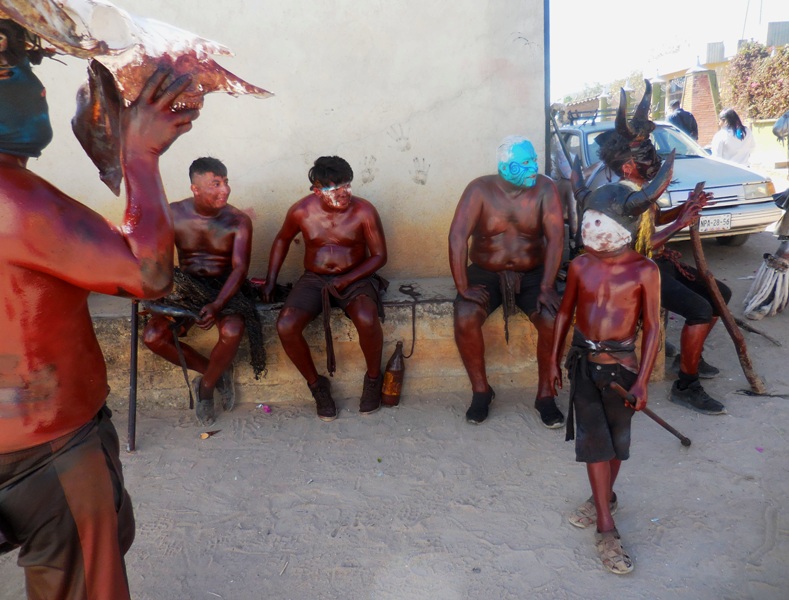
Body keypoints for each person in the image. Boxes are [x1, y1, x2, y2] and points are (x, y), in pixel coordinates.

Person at [0, 18, 199, 600]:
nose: (36, 85)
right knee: (84, 579)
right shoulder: (14, 200)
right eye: (9, 66)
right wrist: (138, 155)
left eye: (29, 61)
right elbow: (147, 273)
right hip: (43, 441)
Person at [549, 156, 667, 575]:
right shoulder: (580, 266)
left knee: (616, 444)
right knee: (594, 444)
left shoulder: (644, 271)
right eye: (586, 220)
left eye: (598, 221)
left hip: (622, 370)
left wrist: (643, 382)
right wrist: (552, 361)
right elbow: (564, 314)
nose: (588, 229)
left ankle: (605, 497)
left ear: (623, 227)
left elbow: (652, 328)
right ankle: (605, 526)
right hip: (584, 365)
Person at [591, 86, 731, 415]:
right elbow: (637, 248)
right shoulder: (614, 196)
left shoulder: (640, 189)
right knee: (699, 310)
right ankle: (686, 385)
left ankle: (690, 357)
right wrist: (680, 222)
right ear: (629, 167)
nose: (654, 161)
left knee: (720, 294)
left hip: (654, 265)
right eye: (647, 158)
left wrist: (686, 208)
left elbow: (653, 221)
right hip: (633, 275)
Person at [449, 136, 565, 426]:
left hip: (533, 273)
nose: (534, 167)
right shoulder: (479, 190)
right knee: (465, 315)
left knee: (552, 319)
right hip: (485, 272)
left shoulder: (545, 188)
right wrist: (463, 286)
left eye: (534, 160)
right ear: (505, 167)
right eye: (525, 163)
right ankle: (481, 391)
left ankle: (545, 394)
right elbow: (457, 237)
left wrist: (547, 285)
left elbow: (556, 239)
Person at [260, 156, 388, 421]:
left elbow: (379, 256)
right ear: (317, 190)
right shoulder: (301, 211)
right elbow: (282, 239)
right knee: (286, 324)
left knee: (367, 317)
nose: (344, 193)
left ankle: (374, 378)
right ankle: (317, 386)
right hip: (314, 279)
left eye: (347, 185)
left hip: (356, 277)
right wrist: (271, 279)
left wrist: (347, 280)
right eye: (335, 189)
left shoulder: (364, 211)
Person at [142, 157, 263, 426]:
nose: (225, 189)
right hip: (186, 286)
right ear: (195, 188)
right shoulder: (173, 213)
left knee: (233, 329)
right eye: (215, 184)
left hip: (225, 287)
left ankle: (206, 389)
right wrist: (149, 290)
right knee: (153, 336)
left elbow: (240, 269)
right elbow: (156, 259)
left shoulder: (238, 220)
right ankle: (216, 373)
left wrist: (218, 304)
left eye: (226, 182)